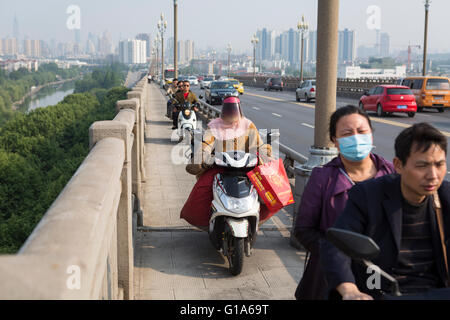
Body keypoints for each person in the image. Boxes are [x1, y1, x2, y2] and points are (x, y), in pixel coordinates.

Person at [320, 122, 449, 300]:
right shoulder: (369, 195)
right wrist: (350, 290)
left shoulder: (446, 197)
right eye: (422, 166)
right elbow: (336, 244)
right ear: (398, 165)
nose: (433, 175)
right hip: (382, 294)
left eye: (440, 164)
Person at [293, 105, 396, 300]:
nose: (356, 138)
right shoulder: (322, 177)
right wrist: (337, 255)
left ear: (371, 135)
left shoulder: (391, 174)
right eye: (347, 133)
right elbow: (304, 229)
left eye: (361, 131)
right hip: (330, 277)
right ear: (335, 140)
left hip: (382, 274)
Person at [180, 97, 273, 237]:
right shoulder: (214, 126)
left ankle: (254, 218)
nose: (231, 112)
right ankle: (209, 221)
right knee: (200, 191)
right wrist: (203, 158)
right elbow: (205, 145)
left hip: (245, 168)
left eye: (234, 109)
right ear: (223, 110)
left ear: (239, 110)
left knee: (270, 192)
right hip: (221, 168)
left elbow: (259, 145)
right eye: (228, 109)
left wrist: (265, 154)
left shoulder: (248, 125)